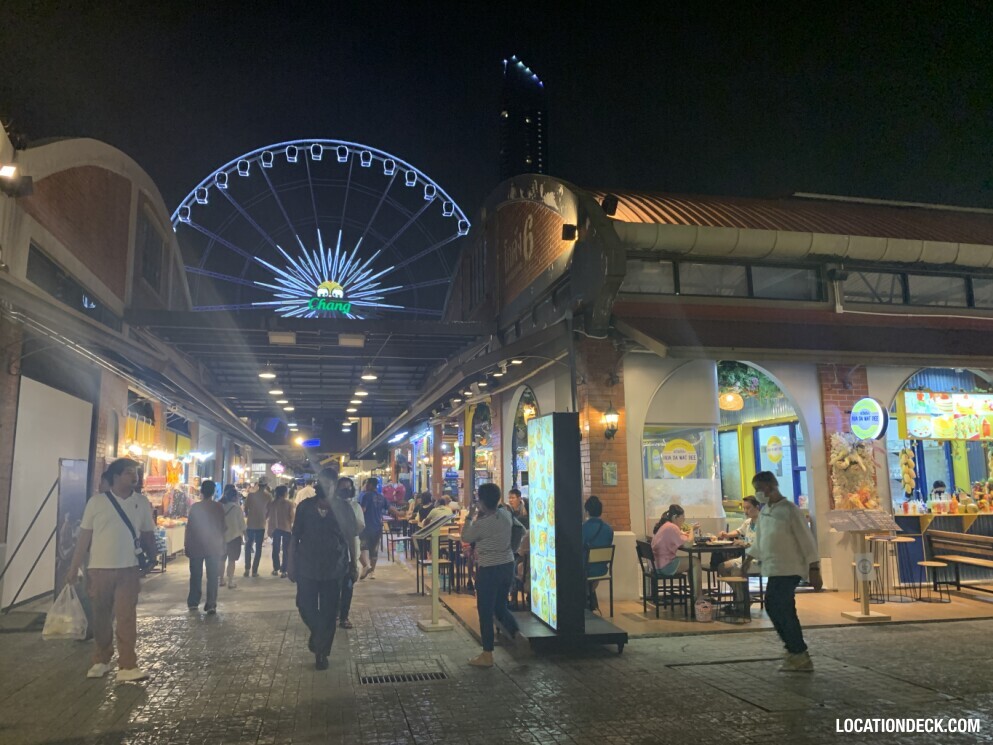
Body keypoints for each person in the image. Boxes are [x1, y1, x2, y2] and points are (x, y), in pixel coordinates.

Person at [66, 458, 155, 682]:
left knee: (126, 617)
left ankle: (127, 665)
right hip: (99, 569)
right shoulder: (96, 503)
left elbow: (147, 533)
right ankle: (101, 660)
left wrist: (152, 556)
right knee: (101, 617)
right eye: (128, 473)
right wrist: (74, 567)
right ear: (115, 477)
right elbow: (84, 537)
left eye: (135, 473)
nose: (134, 477)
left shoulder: (142, 502)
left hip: (129, 569)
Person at [287, 468, 362, 670]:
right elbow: (295, 536)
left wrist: (354, 565)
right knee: (304, 605)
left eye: (331, 482)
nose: (327, 486)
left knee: (329, 612)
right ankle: (318, 636)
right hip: (307, 566)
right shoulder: (304, 507)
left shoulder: (344, 509)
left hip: (334, 567)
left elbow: (351, 538)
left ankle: (321, 653)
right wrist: (290, 563)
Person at [748, 471, 821, 673]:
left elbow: (806, 540)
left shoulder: (789, 510)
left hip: (790, 568)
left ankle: (798, 652)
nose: (758, 494)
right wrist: (748, 559)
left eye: (759, 489)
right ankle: (794, 650)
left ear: (770, 487)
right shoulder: (765, 512)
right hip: (774, 568)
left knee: (779, 606)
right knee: (775, 607)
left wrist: (814, 568)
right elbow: (759, 541)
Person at [461, 483, 522, 668]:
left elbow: (466, 537)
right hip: (507, 565)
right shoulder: (505, 514)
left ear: (481, 501)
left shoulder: (482, 524)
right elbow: (521, 530)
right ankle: (517, 635)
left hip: (489, 569)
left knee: (485, 611)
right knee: (500, 607)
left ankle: (487, 655)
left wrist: (470, 515)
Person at [185, 480, 225, 614]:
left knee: (196, 575)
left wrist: (187, 544)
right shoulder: (219, 507)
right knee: (213, 576)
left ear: (201, 491)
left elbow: (190, 528)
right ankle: (211, 603)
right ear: (213, 492)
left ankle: (193, 602)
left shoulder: (195, 507)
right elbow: (223, 527)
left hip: (196, 545)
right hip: (213, 546)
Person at [649, 504, 703, 601]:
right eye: (682, 519)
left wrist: (688, 532)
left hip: (656, 565)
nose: (683, 521)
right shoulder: (672, 527)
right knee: (695, 562)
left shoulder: (665, 526)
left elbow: (681, 537)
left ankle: (694, 594)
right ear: (675, 517)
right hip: (665, 566)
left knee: (691, 562)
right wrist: (691, 529)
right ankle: (698, 598)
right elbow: (688, 544)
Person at [335, 477, 365, 628]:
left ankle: (343, 616)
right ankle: (335, 613)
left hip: (350, 551)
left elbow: (358, 529)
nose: (346, 491)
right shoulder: (332, 506)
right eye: (342, 488)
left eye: (348, 488)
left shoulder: (355, 507)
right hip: (333, 554)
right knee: (333, 586)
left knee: (348, 585)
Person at [582, 495, 614, 613]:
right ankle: (590, 598)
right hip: (602, 569)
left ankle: (586, 599)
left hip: (586, 569)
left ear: (587, 511)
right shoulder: (609, 529)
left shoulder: (583, 528)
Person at [358, 478, 387, 580]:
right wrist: (399, 513)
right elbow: (390, 508)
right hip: (377, 527)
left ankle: (366, 566)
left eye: (366, 483)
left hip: (365, 527)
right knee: (374, 550)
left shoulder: (366, 495)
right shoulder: (381, 497)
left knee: (361, 548)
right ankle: (372, 572)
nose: (365, 485)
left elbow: (363, 509)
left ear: (370, 484)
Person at [219, 484, 246, 588]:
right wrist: (246, 536)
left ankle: (221, 580)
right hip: (234, 538)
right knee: (231, 560)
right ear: (234, 497)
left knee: (221, 560)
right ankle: (230, 582)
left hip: (221, 538)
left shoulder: (220, 507)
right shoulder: (237, 509)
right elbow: (242, 525)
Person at [243, 479, 271, 577]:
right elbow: (269, 511)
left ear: (258, 485)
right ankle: (254, 571)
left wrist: (249, 515)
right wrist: (264, 517)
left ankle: (247, 569)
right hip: (261, 524)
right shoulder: (268, 496)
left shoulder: (251, 495)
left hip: (250, 524)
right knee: (258, 547)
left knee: (248, 546)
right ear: (266, 485)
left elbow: (245, 508)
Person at [267, 485, 295, 577]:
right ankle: (284, 570)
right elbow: (292, 517)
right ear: (285, 493)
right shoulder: (289, 503)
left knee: (276, 549)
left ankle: (275, 568)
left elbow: (268, 516)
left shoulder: (272, 503)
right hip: (287, 528)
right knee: (286, 550)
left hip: (276, 529)